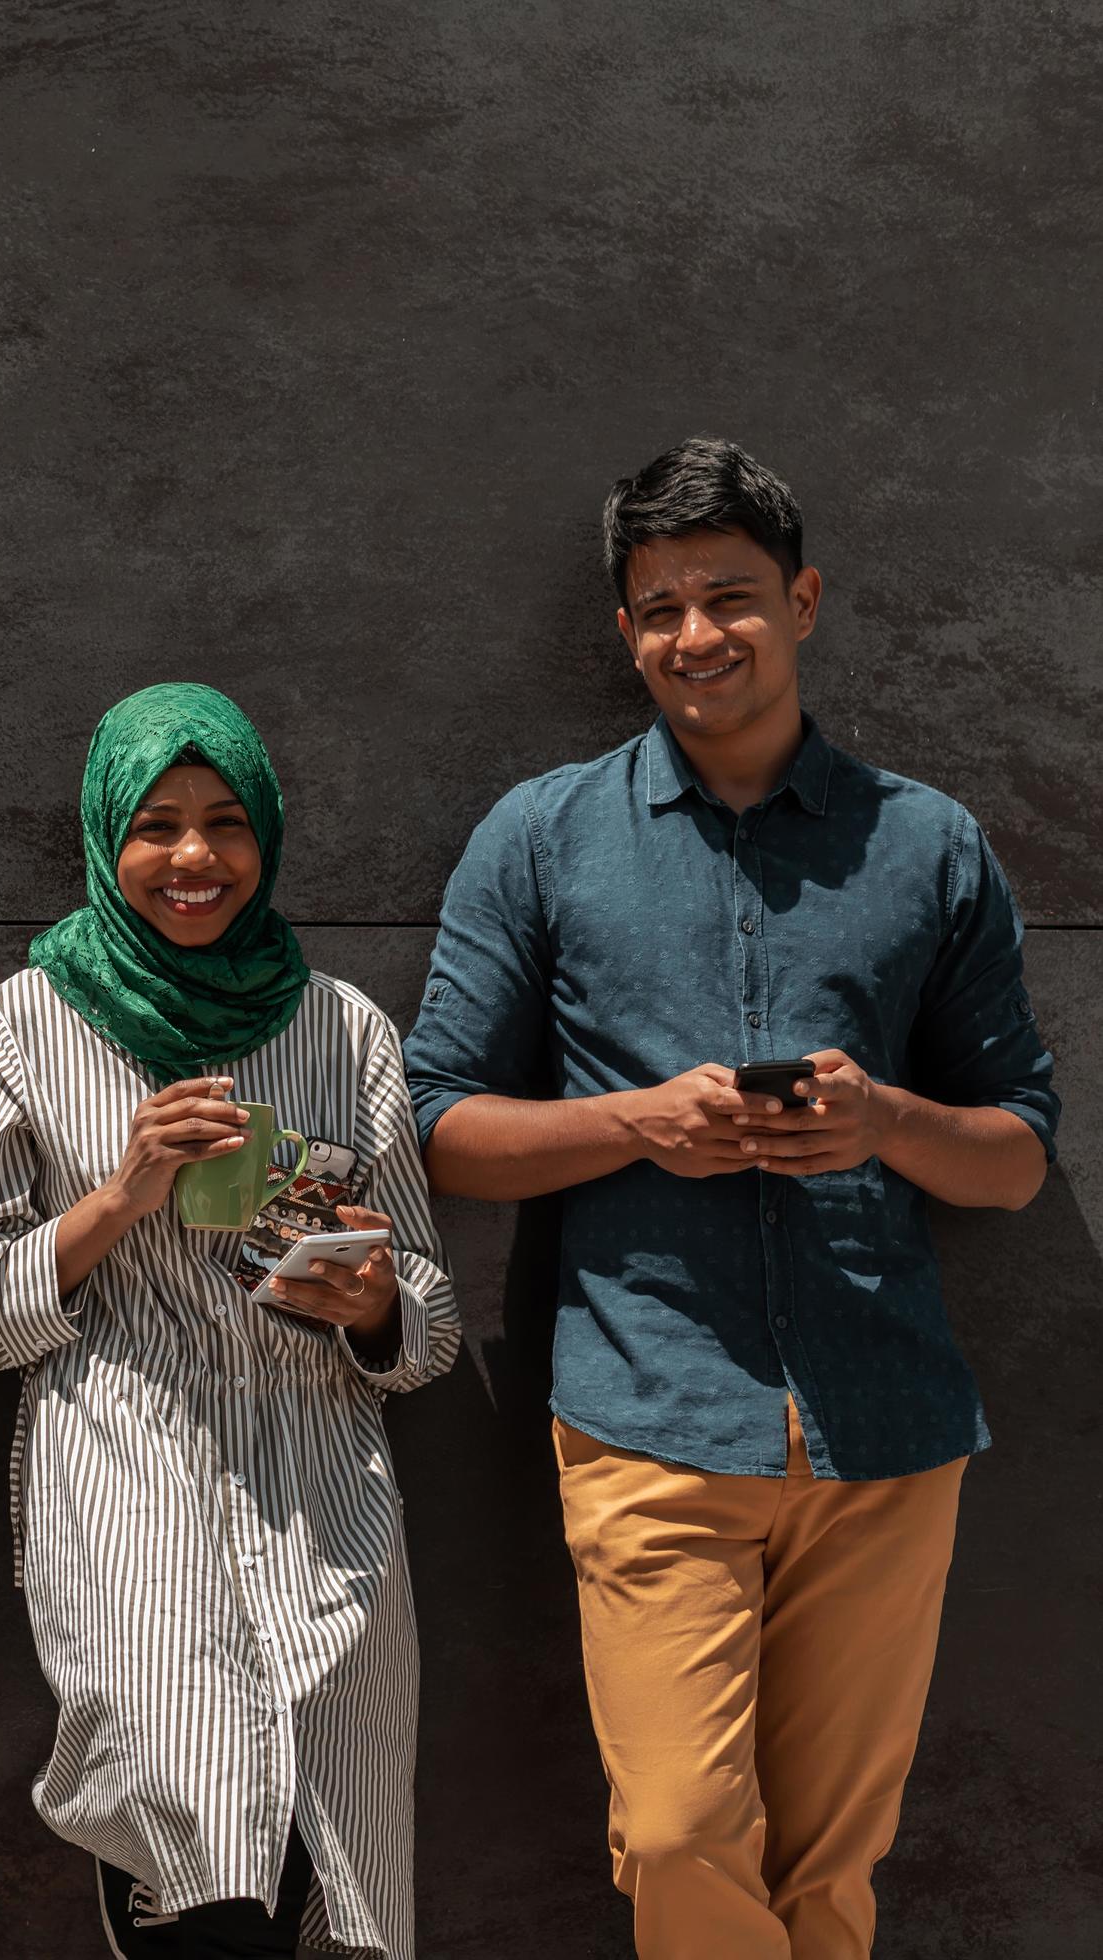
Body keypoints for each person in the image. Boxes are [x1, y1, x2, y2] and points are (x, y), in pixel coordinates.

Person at [405, 437, 1059, 1960]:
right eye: (658, 607)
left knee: (833, 1877)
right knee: (686, 1831)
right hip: (648, 1415)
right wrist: (642, 1123)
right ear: (626, 632)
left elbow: (1017, 1154)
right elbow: (438, 1126)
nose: (696, 634)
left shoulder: (926, 843)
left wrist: (885, 1121)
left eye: (730, 596)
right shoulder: (546, 835)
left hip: (885, 1425)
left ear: (805, 600)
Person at [0, 683, 458, 1959]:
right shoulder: (22, 1023)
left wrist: (376, 1301)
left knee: (322, 1874)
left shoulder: (343, 1029)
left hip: (324, 1495)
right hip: (127, 1473)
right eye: (156, 825)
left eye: (227, 822)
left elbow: (433, 1325)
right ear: (106, 837)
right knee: (199, 1863)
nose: (194, 858)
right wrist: (125, 1192)